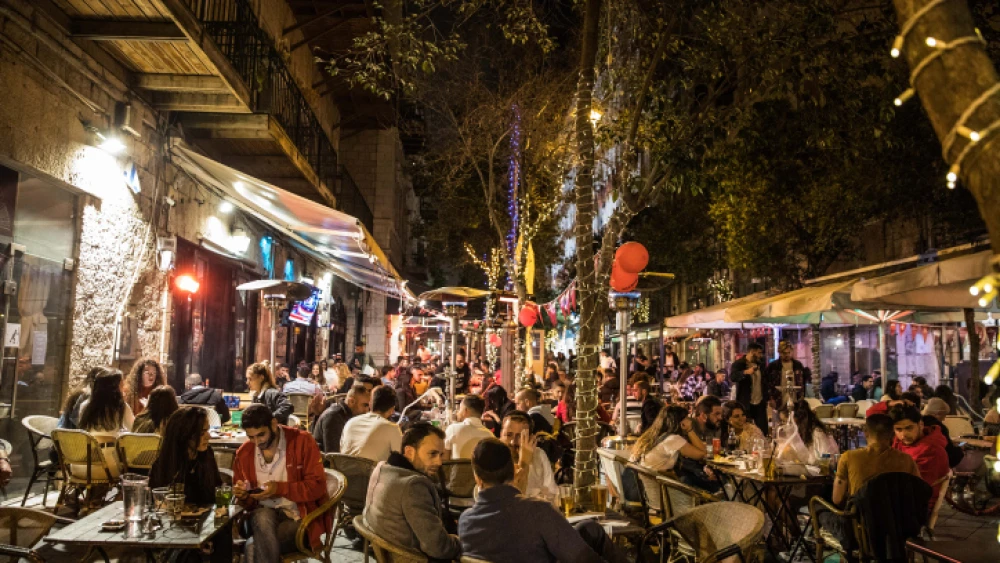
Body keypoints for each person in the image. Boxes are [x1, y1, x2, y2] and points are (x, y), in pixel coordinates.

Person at [459, 438, 628, 563]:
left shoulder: (466, 521)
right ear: (512, 471)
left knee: (589, 529)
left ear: (478, 479)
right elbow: (581, 558)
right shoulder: (537, 512)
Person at [231, 404, 329, 562]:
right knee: (262, 516)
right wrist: (243, 496)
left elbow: (317, 487)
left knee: (251, 546)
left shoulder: (302, 441)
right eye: (251, 437)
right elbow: (247, 504)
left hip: (299, 517)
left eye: (261, 435)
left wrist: (280, 488)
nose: (257, 442)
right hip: (260, 515)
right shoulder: (244, 452)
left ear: (273, 424)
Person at [819, 414, 921, 555]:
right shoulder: (907, 460)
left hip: (860, 533)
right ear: (892, 435)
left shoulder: (849, 457)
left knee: (818, 507)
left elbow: (837, 500)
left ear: (865, 433)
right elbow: (918, 494)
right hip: (898, 531)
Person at [363, 423, 461, 561]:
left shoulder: (382, 468)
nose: (439, 462)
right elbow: (438, 547)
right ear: (409, 452)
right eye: (432, 454)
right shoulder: (413, 486)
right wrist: (461, 541)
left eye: (440, 454)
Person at [149, 407, 230, 563]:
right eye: (202, 433)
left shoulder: (206, 455)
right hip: (174, 527)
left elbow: (216, 490)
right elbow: (158, 505)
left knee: (223, 528)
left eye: (207, 430)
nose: (208, 436)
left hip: (206, 523)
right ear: (185, 435)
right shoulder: (165, 464)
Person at [631, 405, 718, 492]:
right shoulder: (673, 439)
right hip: (660, 492)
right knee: (712, 486)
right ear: (680, 422)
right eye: (686, 418)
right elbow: (704, 453)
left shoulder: (653, 436)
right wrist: (690, 430)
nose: (690, 421)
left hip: (645, 488)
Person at [888, 404, 950, 511]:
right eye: (898, 429)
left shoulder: (931, 450)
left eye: (909, 428)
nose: (903, 434)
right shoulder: (899, 442)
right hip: (899, 498)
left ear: (920, 424)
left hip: (916, 506)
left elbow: (916, 488)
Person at [78, 367, 134, 479]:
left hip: (80, 465)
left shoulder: (85, 406)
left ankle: (94, 492)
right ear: (114, 388)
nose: (124, 388)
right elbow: (135, 429)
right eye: (121, 384)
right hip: (107, 467)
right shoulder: (120, 407)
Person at [501, 411, 559, 503]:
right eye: (508, 435)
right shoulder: (495, 458)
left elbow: (552, 494)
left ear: (531, 438)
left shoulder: (538, 455)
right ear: (501, 435)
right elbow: (509, 502)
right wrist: (524, 463)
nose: (513, 442)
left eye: (520, 436)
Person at [340, 385, 402, 462]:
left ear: (370, 404)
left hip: (342, 469)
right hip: (370, 470)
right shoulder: (392, 428)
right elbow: (401, 460)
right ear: (392, 410)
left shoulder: (350, 422)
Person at [312, 383, 371, 453]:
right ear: (351, 402)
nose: (367, 410)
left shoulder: (349, 416)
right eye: (365, 405)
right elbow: (332, 454)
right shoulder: (334, 417)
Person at [730, 343, 771, 435]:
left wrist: (768, 397)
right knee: (745, 431)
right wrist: (745, 372)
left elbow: (765, 382)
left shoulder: (761, 365)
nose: (761, 355)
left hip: (760, 403)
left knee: (763, 431)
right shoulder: (739, 364)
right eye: (759, 353)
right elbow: (733, 377)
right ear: (752, 352)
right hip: (746, 404)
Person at [922, 397, 964, 467]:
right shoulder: (939, 428)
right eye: (944, 415)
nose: (944, 419)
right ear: (938, 413)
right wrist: (959, 450)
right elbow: (950, 455)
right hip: (936, 466)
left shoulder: (919, 423)